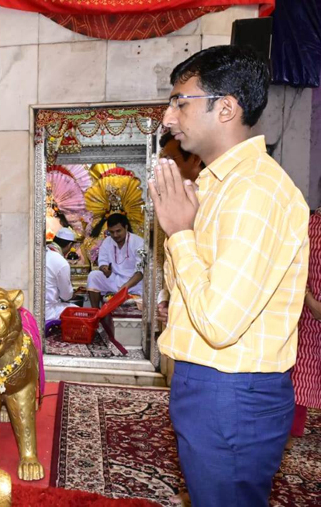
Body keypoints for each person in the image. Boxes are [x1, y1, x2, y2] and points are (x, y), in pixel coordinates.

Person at [150, 45, 309, 507]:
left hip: (232, 391)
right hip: (213, 383)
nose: (168, 117)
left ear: (225, 108)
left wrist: (180, 233)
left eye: (180, 102)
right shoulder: (217, 186)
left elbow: (219, 323)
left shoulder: (254, 190)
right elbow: (189, 291)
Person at [156, 132, 203, 323]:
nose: (164, 168)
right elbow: (174, 264)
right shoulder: (176, 202)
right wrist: (167, 298)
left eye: (171, 160)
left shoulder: (213, 202)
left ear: (195, 159)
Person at [290, 207, 321, 441]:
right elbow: (294, 265)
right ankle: (291, 431)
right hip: (307, 315)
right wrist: (310, 300)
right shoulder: (308, 224)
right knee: (299, 376)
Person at [86, 213, 144, 309]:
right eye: (112, 232)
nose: (115, 235)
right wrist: (104, 268)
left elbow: (140, 272)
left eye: (118, 231)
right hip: (115, 279)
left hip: (134, 284)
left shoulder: (138, 242)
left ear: (126, 227)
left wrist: (125, 287)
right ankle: (95, 311)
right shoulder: (107, 241)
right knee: (93, 276)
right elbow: (102, 261)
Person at [45, 227, 78, 320]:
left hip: (33, 306)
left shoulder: (43, 251)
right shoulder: (61, 262)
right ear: (69, 245)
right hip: (48, 310)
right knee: (77, 310)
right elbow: (66, 296)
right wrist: (71, 293)